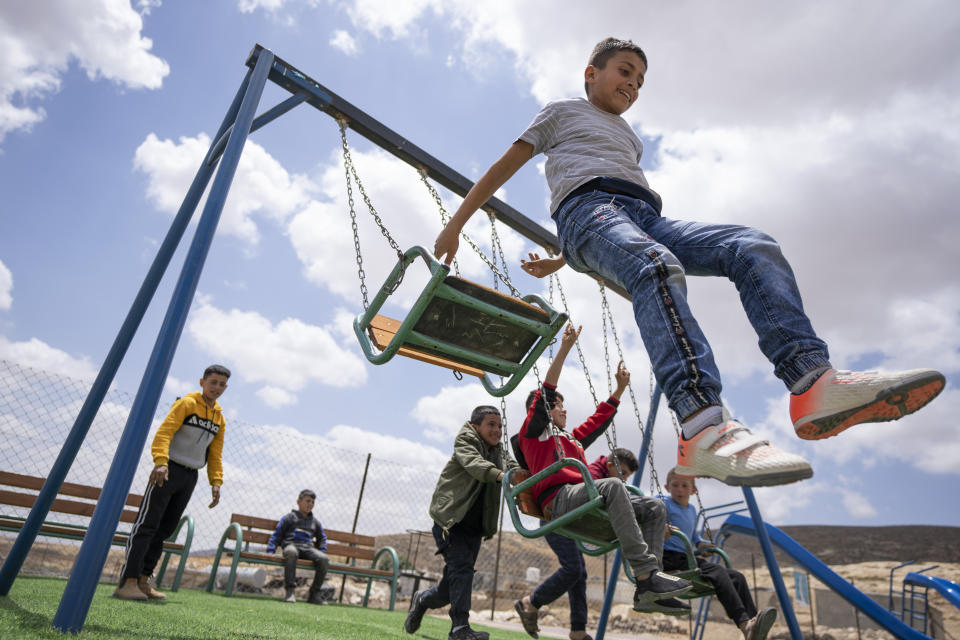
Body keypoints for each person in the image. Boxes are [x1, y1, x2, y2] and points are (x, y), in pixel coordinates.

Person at [433, 36, 945, 488]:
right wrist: (457, 225)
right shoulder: (562, 112)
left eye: (640, 81)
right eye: (624, 73)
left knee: (752, 245)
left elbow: (622, 232)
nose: (632, 86)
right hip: (585, 212)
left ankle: (812, 382)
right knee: (656, 267)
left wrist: (566, 260)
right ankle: (703, 425)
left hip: (641, 216)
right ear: (591, 73)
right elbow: (512, 167)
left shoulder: (629, 139)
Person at [514, 323, 691, 616]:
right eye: (558, 406)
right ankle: (646, 574)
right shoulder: (533, 433)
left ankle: (649, 586)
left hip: (581, 499)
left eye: (563, 405)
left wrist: (619, 391)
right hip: (558, 500)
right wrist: (564, 349)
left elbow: (596, 422)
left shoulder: (570, 438)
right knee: (612, 485)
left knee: (654, 508)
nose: (564, 409)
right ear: (543, 409)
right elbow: (546, 393)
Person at [114, 364, 230, 601]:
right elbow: (164, 433)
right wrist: (161, 462)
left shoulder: (219, 419)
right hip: (168, 470)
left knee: (165, 530)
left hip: (190, 477)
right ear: (202, 382)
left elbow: (215, 454)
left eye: (221, 384)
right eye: (213, 382)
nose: (216, 387)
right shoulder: (186, 404)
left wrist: (216, 481)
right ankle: (128, 581)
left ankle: (145, 580)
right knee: (147, 525)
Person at [404, 405, 519, 640]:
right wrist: (501, 476)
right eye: (491, 424)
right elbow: (476, 465)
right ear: (476, 426)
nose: (497, 430)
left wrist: (526, 477)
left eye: (499, 426)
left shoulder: (499, 451)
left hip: (474, 526)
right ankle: (459, 629)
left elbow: (513, 467)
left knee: (451, 586)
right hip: (451, 520)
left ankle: (423, 599)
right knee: (463, 571)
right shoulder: (465, 442)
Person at [514, 448, 639, 640]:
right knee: (573, 569)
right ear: (610, 464)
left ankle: (578, 629)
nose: (624, 479)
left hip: (567, 521)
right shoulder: (595, 473)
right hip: (555, 519)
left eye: (627, 476)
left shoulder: (602, 475)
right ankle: (530, 602)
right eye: (623, 473)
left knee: (579, 573)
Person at [661, 468, 777, 640]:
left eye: (685, 485)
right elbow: (647, 510)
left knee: (737, 577)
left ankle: (754, 625)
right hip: (667, 558)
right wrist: (659, 524)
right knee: (718, 571)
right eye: (675, 485)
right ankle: (744, 623)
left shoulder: (692, 510)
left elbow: (693, 536)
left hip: (686, 559)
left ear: (694, 490)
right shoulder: (663, 502)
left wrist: (701, 544)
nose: (679, 489)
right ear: (666, 487)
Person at [266, 489, 330, 604]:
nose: (310, 504)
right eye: (307, 501)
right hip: (291, 545)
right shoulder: (289, 518)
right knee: (291, 552)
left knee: (324, 559)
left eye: (312, 503)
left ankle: (314, 594)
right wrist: (271, 550)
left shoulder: (315, 522)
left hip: (308, 549)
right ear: (298, 501)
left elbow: (322, 538)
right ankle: (290, 591)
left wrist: (322, 551)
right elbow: (277, 534)